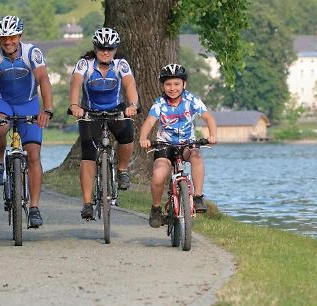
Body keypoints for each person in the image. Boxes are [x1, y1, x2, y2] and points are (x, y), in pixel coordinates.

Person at [0, 15, 53, 228]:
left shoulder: (32, 53)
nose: (7, 42)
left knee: (34, 155)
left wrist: (46, 109)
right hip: (3, 103)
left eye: (11, 37)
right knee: (0, 127)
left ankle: (35, 208)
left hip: (28, 104)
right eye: (3, 38)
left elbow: (43, 80)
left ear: (19, 35)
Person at [69, 27, 139, 219]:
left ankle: (123, 169)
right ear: (95, 48)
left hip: (116, 109)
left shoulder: (120, 64)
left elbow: (130, 85)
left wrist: (132, 105)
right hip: (90, 111)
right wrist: (75, 106)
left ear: (115, 49)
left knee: (127, 135)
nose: (105, 52)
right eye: (101, 48)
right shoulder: (85, 64)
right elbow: (75, 83)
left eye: (109, 48)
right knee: (89, 154)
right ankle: (87, 203)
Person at [139, 63, 217, 228]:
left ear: (184, 84)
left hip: (187, 144)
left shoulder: (191, 100)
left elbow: (209, 118)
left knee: (196, 156)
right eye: (168, 84)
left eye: (176, 84)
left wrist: (212, 135)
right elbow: (149, 122)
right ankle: (155, 208)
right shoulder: (160, 103)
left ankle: (197, 197)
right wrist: (143, 138)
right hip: (164, 146)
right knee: (159, 174)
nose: (172, 88)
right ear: (163, 86)